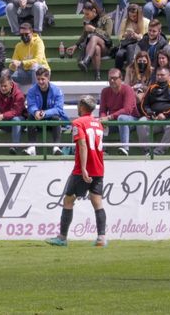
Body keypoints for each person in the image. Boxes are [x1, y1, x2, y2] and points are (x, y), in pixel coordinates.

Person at [44, 95, 108, 248]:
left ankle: (62, 237)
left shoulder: (78, 123)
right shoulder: (98, 124)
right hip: (98, 167)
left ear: (82, 106)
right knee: (97, 201)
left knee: (68, 200)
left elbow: (83, 145)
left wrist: (84, 168)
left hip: (83, 169)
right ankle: (101, 238)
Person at [137, 66, 170, 156]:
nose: (159, 77)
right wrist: (150, 114)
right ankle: (147, 151)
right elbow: (144, 104)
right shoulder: (152, 87)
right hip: (156, 119)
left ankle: (158, 152)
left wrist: (165, 114)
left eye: (162, 75)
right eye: (158, 75)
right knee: (141, 123)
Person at [24, 67, 67, 156]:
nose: (40, 82)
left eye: (43, 79)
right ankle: (32, 147)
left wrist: (45, 113)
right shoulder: (32, 90)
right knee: (30, 117)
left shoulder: (57, 91)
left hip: (51, 120)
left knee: (56, 117)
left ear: (48, 78)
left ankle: (56, 147)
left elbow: (58, 109)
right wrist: (35, 112)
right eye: (38, 79)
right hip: (38, 118)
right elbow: (31, 106)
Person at [67, 1, 112, 80]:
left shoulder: (107, 19)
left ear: (94, 11)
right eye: (84, 14)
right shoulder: (88, 21)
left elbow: (108, 36)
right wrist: (76, 45)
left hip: (105, 47)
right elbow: (84, 36)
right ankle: (97, 75)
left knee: (94, 38)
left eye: (87, 14)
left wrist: (94, 29)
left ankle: (86, 61)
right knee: (96, 48)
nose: (85, 16)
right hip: (94, 48)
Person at [0, 72, 26, 154]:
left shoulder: (19, 94)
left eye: (5, 86)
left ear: (11, 85)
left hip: (20, 123)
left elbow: (16, 112)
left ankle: (15, 147)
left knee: (16, 119)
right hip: (5, 121)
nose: (3, 88)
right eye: (1, 86)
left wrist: (2, 116)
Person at [98, 68, 137, 155]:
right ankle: (101, 150)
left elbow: (127, 110)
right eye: (110, 78)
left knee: (122, 118)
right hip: (114, 121)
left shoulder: (128, 89)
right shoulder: (105, 91)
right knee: (96, 123)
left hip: (131, 120)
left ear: (121, 78)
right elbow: (102, 110)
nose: (112, 80)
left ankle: (125, 148)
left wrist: (109, 117)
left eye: (114, 78)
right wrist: (102, 118)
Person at [9, 21, 47, 89]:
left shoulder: (38, 42)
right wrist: (13, 65)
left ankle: (35, 94)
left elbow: (38, 60)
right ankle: (14, 97)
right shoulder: (18, 46)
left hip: (42, 72)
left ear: (32, 32)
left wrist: (22, 63)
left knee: (35, 66)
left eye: (26, 34)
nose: (24, 36)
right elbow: (14, 63)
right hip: (26, 73)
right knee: (6, 74)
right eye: (22, 34)